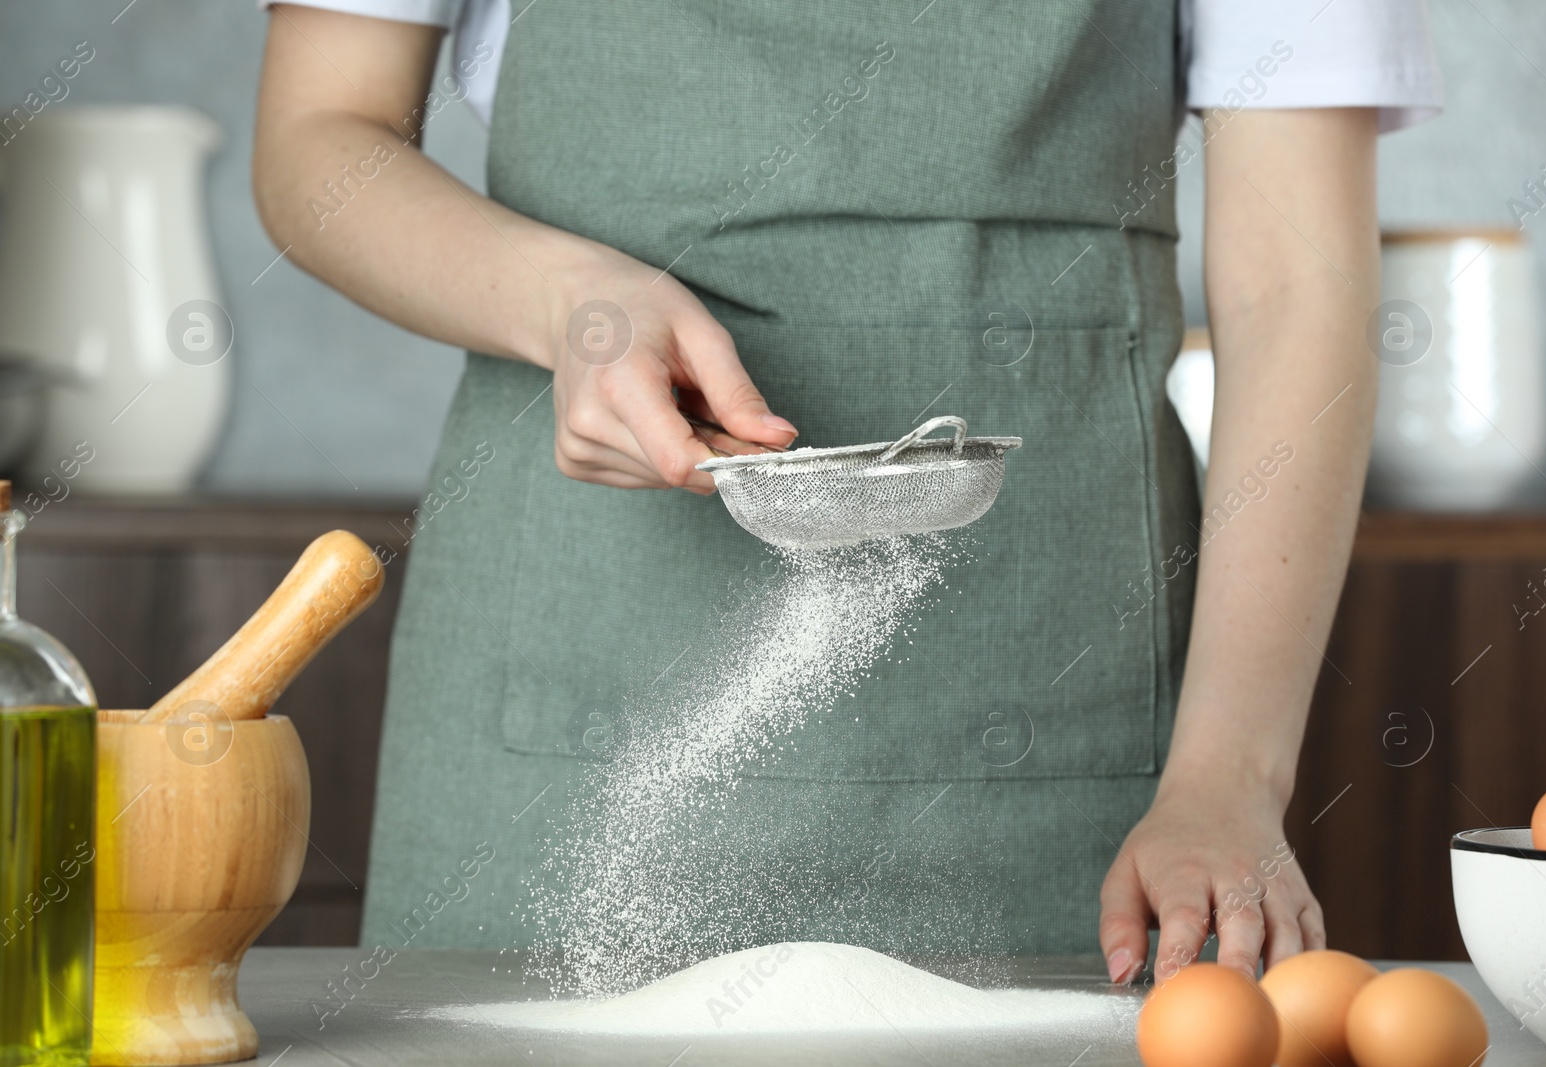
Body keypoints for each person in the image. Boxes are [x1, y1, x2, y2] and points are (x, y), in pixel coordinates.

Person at [253, 0, 1441, 984]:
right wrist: (563, 300)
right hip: (570, 683)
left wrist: (1226, 776)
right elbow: (321, 135)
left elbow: (1297, 280)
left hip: (1058, 715)